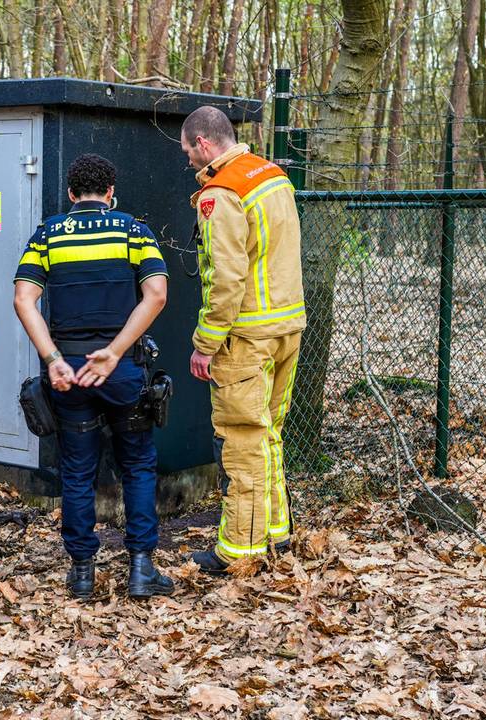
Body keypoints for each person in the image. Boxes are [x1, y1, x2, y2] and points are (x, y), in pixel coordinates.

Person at [13, 153, 174, 599]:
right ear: (110, 192)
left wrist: (52, 359)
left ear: (70, 194)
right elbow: (156, 295)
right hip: (121, 369)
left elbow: (24, 299)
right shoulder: (133, 231)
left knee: (77, 471)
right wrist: (116, 351)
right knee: (138, 465)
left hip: (70, 372)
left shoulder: (48, 235)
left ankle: (82, 573)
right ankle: (141, 569)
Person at [179, 105, 306, 574]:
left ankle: (240, 550)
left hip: (246, 335)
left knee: (242, 440)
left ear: (205, 143)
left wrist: (205, 343)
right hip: (287, 326)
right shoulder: (272, 176)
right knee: (269, 433)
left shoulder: (222, 192)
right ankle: (277, 533)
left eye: (189, 150)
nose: (189, 160)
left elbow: (225, 277)